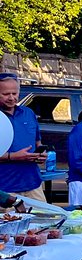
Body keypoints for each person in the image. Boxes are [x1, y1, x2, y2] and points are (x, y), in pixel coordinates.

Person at [0, 73, 48, 202]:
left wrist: (41, 154)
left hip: (33, 184)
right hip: (5, 189)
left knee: (44, 215)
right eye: (6, 94)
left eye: (15, 93)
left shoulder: (28, 113)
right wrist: (13, 156)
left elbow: (37, 142)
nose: (11, 98)